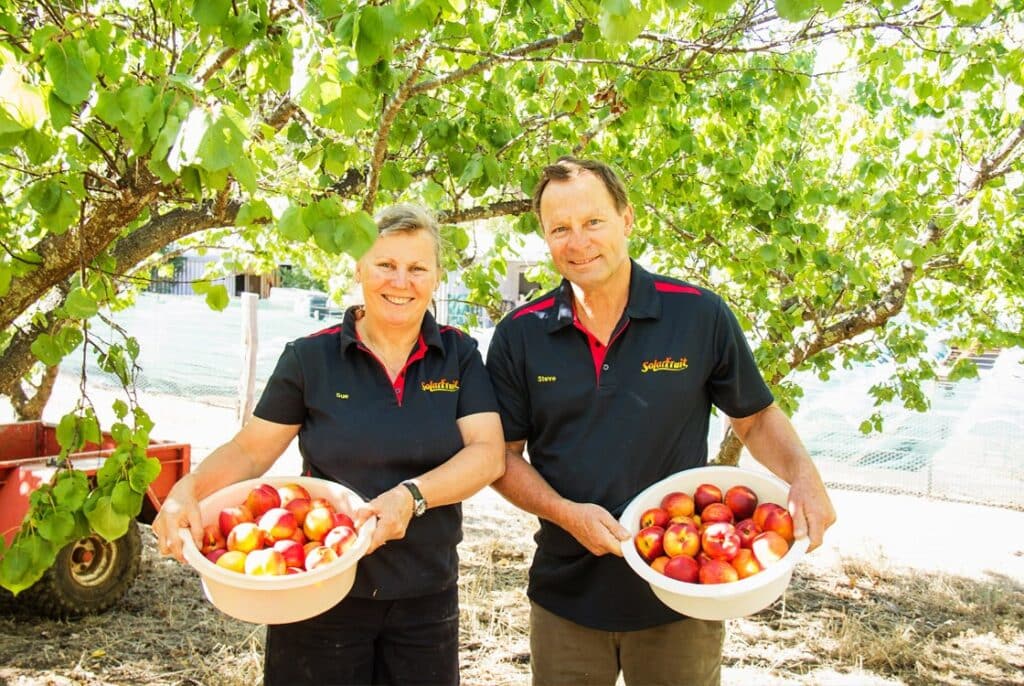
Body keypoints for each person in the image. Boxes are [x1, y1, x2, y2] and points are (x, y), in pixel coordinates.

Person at [485, 157, 837, 686]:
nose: (578, 241)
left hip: (685, 593)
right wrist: (564, 513)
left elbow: (756, 417)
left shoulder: (698, 314)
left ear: (627, 218)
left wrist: (804, 478)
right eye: (560, 228)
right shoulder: (520, 334)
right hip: (566, 596)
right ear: (544, 236)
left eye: (593, 221)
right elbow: (501, 458)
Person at [153, 203, 505, 686]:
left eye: (417, 268)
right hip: (316, 590)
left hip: (424, 596)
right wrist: (186, 491)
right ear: (359, 268)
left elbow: (487, 453)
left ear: (437, 277)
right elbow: (251, 451)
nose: (400, 281)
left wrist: (411, 497)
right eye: (385, 265)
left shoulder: (460, 354)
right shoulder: (310, 357)